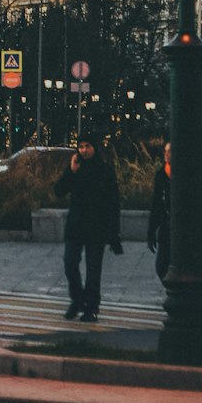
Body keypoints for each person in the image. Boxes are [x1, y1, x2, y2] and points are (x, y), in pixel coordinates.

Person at [54, 134, 123, 322]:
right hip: (76, 225)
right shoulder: (75, 167)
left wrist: (114, 232)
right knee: (69, 262)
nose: (83, 150)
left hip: (96, 226)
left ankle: (91, 307)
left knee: (93, 270)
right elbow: (58, 191)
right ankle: (78, 299)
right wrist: (71, 171)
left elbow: (113, 202)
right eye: (81, 146)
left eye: (87, 146)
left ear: (95, 148)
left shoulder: (105, 170)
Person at [146, 142, 171, 285]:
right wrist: (151, 233)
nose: (167, 154)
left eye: (170, 151)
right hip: (165, 226)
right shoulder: (161, 174)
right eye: (165, 151)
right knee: (161, 266)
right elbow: (156, 204)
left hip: (179, 229)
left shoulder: (183, 174)